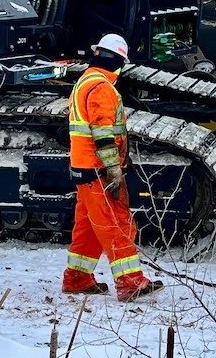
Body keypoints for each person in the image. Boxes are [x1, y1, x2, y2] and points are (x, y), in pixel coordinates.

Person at [62, 33, 164, 302]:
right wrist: (114, 169)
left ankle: (78, 278)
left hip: (84, 167)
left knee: (88, 226)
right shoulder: (102, 88)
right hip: (99, 170)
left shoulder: (85, 81)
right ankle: (131, 283)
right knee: (115, 224)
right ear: (119, 62)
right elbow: (103, 135)